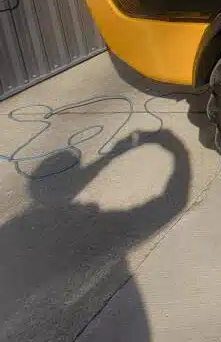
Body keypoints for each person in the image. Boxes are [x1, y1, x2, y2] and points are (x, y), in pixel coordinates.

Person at [0, 130, 190, 342]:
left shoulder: (14, 231)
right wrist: (178, 150)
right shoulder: (96, 229)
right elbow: (171, 203)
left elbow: (65, 191)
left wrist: (110, 157)